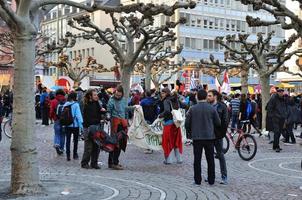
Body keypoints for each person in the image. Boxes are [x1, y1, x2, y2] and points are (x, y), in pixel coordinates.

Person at [185, 89, 221, 185]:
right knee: (210, 160)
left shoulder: (192, 108)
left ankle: (197, 180)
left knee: (197, 160)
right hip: (209, 137)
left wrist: (189, 133)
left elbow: (187, 123)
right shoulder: (212, 108)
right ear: (205, 97)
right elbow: (218, 123)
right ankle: (211, 180)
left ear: (197, 97)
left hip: (197, 137)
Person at [107, 85, 132, 170]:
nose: (118, 96)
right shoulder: (111, 100)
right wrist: (107, 117)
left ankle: (114, 162)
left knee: (121, 143)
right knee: (114, 143)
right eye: (117, 95)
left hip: (123, 123)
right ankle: (113, 162)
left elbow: (125, 112)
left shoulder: (124, 100)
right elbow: (108, 111)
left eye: (119, 95)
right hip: (115, 123)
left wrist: (127, 121)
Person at [207, 90, 228, 185]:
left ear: (215, 96)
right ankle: (210, 176)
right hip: (208, 135)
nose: (208, 97)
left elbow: (225, 121)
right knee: (209, 156)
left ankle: (224, 177)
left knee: (220, 155)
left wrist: (221, 134)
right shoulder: (207, 106)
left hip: (218, 135)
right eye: (207, 96)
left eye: (210, 96)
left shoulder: (222, 106)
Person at [81, 89, 106, 169]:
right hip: (88, 128)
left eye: (96, 95)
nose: (96, 96)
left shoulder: (97, 103)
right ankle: (84, 163)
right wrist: (99, 120)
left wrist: (103, 112)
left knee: (96, 146)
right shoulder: (86, 105)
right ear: (90, 96)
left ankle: (94, 163)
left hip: (97, 127)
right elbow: (88, 119)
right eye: (94, 95)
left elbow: (98, 113)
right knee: (88, 147)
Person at [159, 88, 184, 165]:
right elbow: (185, 106)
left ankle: (168, 160)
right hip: (176, 124)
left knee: (167, 142)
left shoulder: (166, 100)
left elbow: (166, 111)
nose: (161, 95)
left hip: (168, 123)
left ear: (166, 93)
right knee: (177, 141)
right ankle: (179, 159)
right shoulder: (175, 99)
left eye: (162, 93)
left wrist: (160, 115)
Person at [64, 92, 83, 161]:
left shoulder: (65, 104)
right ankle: (75, 154)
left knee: (68, 140)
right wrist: (81, 125)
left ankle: (68, 155)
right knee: (75, 141)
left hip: (67, 124)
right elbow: (78, 116)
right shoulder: (76, 105)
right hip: (75, 125)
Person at [49, 89, 66, 155]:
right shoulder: (65, 100)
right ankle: (61, 148)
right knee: (63, 134)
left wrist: (50, 117)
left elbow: (51, 110)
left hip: (56, 119)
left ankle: (57, 143)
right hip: (64, 120)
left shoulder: (53, 101)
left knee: (57, 133)